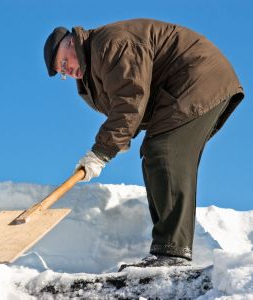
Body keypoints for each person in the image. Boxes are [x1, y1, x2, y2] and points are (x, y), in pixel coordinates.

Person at [43, 18, 244, 271]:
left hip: (198, 77)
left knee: (164, 152)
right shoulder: (92, 75)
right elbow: (128, 110)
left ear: (72, 42)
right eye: (62, 72)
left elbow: (130, 99)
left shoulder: (110, 45)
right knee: (156, 153)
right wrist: (115, 141)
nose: (67, 71)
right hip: (180, 89)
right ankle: (169, 249)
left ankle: (172, 251)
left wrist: (101, 152)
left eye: (64, 62)